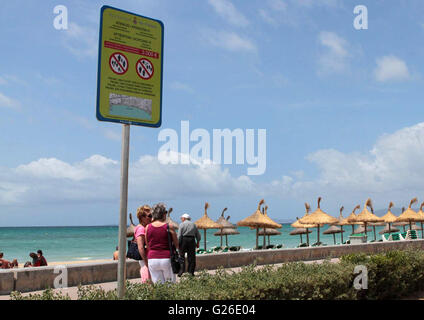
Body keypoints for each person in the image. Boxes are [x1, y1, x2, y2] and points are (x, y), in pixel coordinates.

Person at [145, 203, 179, 284]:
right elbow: (177, 245)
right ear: (163, 214)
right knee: (170, 284)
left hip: (152, 259)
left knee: (158, 286)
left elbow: (148, 245)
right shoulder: (168, 226)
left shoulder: (147, 227)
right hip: (166, 258)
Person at [134, 204, 152, 281]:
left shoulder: (144, 227)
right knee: (148, 281)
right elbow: (140, 247)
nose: (151, 218)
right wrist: (146, 263)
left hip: (147, 259)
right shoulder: (141, 229)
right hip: (145, 260)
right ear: (142, 217)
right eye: (149, 216)